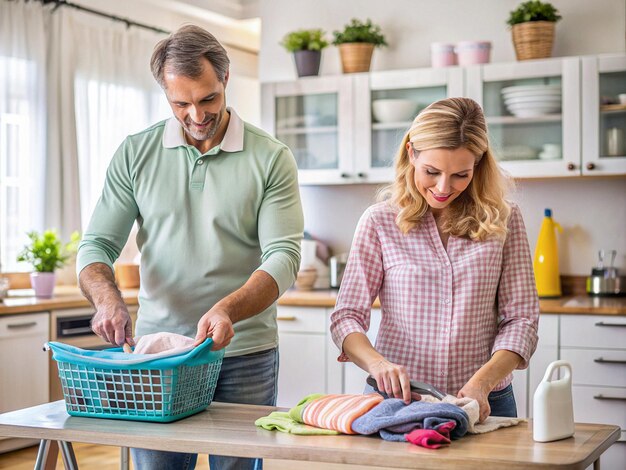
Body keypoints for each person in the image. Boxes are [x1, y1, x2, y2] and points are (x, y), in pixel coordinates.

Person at [76, 25, 303, 470]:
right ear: (165, 92)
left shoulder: (270, 157)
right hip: (160, 356)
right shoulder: (135, 154)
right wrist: (107, 301)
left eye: (207, 99)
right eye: (181, 103)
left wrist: (227, 310)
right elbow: (97, 244)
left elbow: (283, 257)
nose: (197, 115)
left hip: (244, 353)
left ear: (226, 80)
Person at [330, 97, 539, 422]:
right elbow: (346, 317)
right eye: (432, 171)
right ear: (411, 153)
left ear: (478, 165)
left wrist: (482, 383)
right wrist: (378, 364)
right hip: (397, 402)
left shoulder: (505, 220)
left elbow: (521, 320)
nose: (444, 187)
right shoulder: (379, 222)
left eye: (460, 174)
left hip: (485, 402)